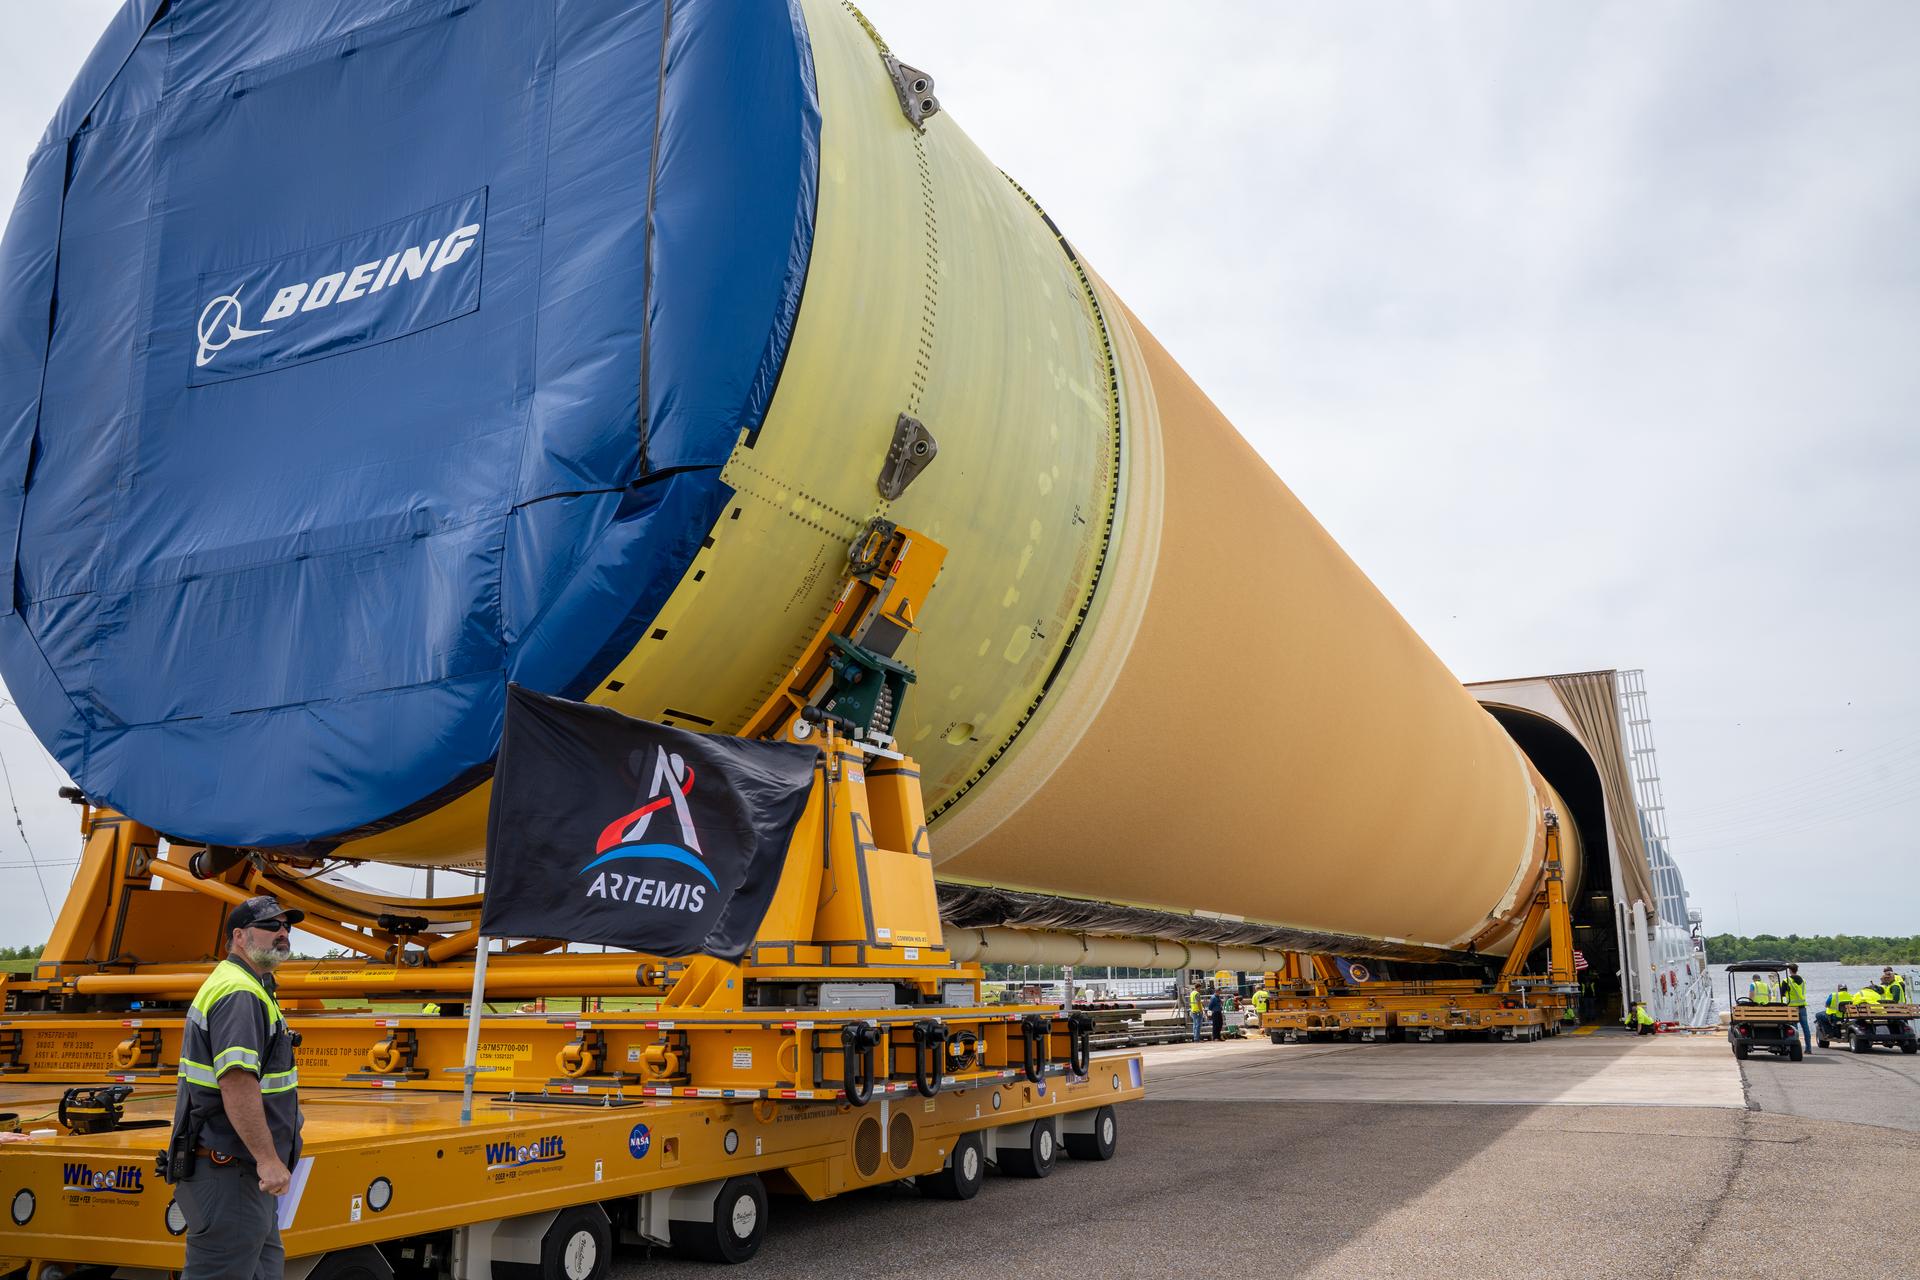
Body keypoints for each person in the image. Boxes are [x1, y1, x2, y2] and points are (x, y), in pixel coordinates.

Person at [168, 895, 306, 1280]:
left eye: (286, 927)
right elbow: (237, 1082)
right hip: (231, 1171)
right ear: (240, 937)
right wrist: (267, 1159)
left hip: (242, 1175)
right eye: (271, 926)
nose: (282, 933)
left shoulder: (252, 986)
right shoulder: (239, 993)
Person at [1782, 964, 1811, 1051]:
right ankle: (1808, 1048)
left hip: (1792, 1008)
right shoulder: (1803, 980)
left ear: (1789, 970)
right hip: (1802, 1007)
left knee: (1794, 1029)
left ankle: (1795, 1048)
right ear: (1796, 970)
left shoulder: (1786, 980)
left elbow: (1782, 993)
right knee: (1805, 1028)